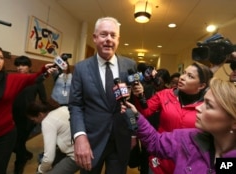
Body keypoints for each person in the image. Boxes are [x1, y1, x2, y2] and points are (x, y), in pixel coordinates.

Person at [122, 77, 236, 174]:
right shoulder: (188, 138)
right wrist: (136, 116)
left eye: (209, 105)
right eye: (204, 102)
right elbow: (155, 142)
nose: (198, 108)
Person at [68, 17, 137, 174]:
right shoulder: (81, 68)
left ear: (118, 39)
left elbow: (132, 103)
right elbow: (76, 105)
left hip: (121, 139)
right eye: (104, 34)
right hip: (91, 141)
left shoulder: (129, 65)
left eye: (113, 35)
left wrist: (133, 133)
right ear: (95, 37)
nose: (108, 40)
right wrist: (79, 136)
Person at [132, 62, 213, 174]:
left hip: (189, 164)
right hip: (159, 158)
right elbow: (145, 111)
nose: (182, 78)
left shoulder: (208, 105)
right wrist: (139, 96)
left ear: (201, 86)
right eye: (184, 73)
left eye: (190, 76)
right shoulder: (165, 94)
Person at [0, 45, 56, 174]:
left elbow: (35, 79)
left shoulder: (10, 79)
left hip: (9, 130)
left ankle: (20, 163)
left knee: (17, 146)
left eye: (1, 57)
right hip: (13, 117)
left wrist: (44, 71)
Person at [12, 56, 48, 174]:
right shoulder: (14, 79)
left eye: (23, 65)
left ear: (29, 67)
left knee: (19, 142)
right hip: (13, 116)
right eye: (18, 65)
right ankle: (26, 154)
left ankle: (19, 166)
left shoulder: (36, 80)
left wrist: (42, 114)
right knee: (13, 144)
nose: (20, 68)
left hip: (28, 117)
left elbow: (44, 99)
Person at [26, 101, 79, 174]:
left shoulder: (47, 122)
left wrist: (40, 170)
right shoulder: (63, 108)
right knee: (42, 160)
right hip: (84, 146)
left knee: (43, 166)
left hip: (76, 155)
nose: (34, 122)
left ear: (40, 115)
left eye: (33, 120)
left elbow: (48, 159)